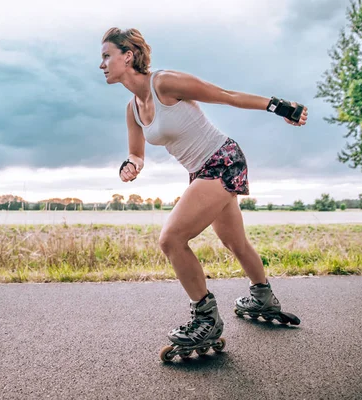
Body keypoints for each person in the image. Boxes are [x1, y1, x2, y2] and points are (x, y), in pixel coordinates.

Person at [100, 27, 308, 347]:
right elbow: (137, 154)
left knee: (171, 239)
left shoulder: (165, 82)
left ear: (127, 56)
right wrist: (131, 167)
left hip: (222, 160)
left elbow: (225, 95)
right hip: (200, 171)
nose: (101, 64)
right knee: (234, 242)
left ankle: (206, 319)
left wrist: (280, 106)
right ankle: (263, 297)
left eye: (106, 56)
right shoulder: (133, 110)